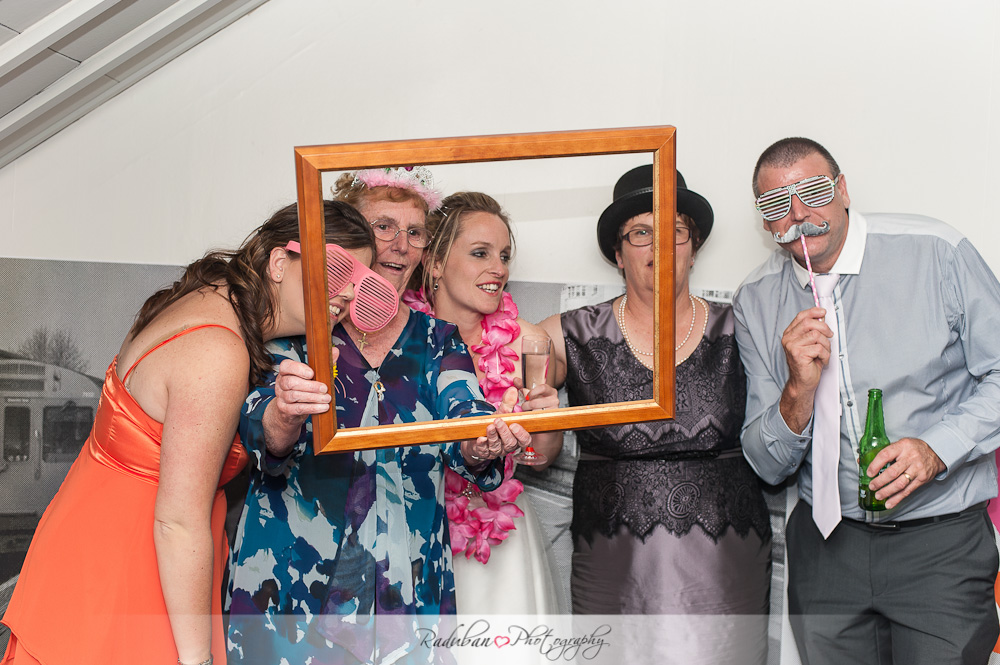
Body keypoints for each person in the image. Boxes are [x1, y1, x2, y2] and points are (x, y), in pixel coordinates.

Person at [0, 199, 372, 665]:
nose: (348, 293)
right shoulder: (218, 350)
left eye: (363, 282)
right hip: (133, 575)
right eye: (337, 270)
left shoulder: (211, 293)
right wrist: (197, 659)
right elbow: (177, 522)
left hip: (92, 551)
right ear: (279, 262)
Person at [226, 169, 532, 665]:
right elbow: (263, 436)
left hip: (406, 590)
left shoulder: (438, 339)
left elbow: (466, 413)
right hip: (288, 583)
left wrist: (481, 443)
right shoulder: (297, 327)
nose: (400, 245)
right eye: (383, 227)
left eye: (415, 232)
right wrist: (284, 414)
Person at [733, 137, 1000, 665]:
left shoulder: (936, 252)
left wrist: (937, 448)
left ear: (843, 190)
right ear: (765, 222)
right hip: (826, 551)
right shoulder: (755, 300)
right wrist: (798, 389)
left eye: (813, 192)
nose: (798, 215)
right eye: (776, 204)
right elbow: (766, 464)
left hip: (940, 543)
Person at [539, 165, 772, 662]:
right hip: (613, 559)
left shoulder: (744, 329)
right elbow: (507, 382)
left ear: (694, 247)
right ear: (617, 253)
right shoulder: (566, 334)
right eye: (641, 233)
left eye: (675, 232)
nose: (660, 247)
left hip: (725, 560)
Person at [402, 191, 564, 615]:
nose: (499, 269)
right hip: (412, 531)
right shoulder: (398, 338)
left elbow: (540, 459)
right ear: (435, 263)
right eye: (480, 253)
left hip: (498, 536)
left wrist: (547, 420)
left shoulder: (529, 342)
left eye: (505, 256)